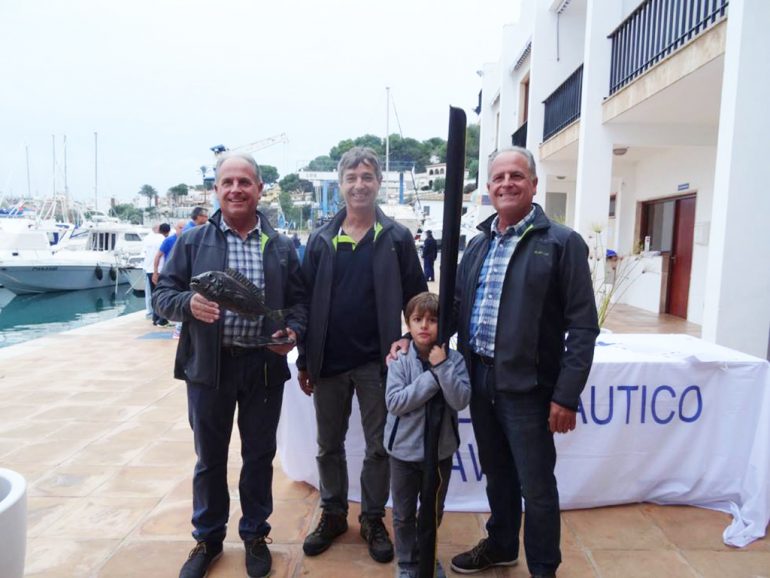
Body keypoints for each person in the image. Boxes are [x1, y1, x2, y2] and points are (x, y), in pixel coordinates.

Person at [390, 146, 598, 577]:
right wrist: (412, 341)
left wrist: (567, 394)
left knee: (537, 486)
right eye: (499, 177)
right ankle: (502, 545)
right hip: (479, 381)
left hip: (529, 390)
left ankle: (543, 568)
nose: (507, 183)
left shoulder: (561, 243)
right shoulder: (479, 244)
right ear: (489, 188)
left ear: (533, 184)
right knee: (497, 475)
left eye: (516, 176)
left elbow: (582, 326)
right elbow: (454, 310)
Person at [153, 152, 307, 578]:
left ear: (259, 189)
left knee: (259, 455)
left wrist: (291, 333)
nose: (236, 189)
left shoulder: (279, 245)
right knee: (210, 458)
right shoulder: (192, 242)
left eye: (245, 182)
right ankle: (208, 538)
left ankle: (255, 535)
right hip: (209, 368)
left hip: (262, 367)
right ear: (216, 191)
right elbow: (162, 295)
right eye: (227, 183)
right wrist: (188, 303)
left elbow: (298, 303)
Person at [297, 146, 427, 563]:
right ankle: (334, 512)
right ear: (340, 185)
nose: (359, 184)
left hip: (379, 364)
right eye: (351, 177)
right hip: (329, 364)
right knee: (327, 445)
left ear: (378, 183)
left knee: (379, 446)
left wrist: (409, 339)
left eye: (367, 176)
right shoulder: (320, 240)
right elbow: (303, 302)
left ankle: (372, 517)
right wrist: (304, 359)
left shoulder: (396, 238)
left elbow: (418, 299)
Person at [384, 292, 470, 578]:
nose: (424, 326)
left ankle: (427, 555)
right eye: (417, 319)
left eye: (432, 320)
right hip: (403, 453)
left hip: (440, 453)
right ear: (407, 322)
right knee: (404, 512)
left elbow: (460, 400)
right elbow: (395, 402)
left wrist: (442, 367)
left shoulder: (454, 360)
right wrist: (432, 378)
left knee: (433, 510)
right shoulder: (400, 358)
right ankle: (408, 561)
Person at [141, 224, 164, 322]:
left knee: (151, 293)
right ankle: (160, 317)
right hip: (159, 269)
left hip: (149, 269)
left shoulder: (146, 239)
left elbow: (144, 253)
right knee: (161, 293)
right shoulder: (162, 238)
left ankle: (153, 315)